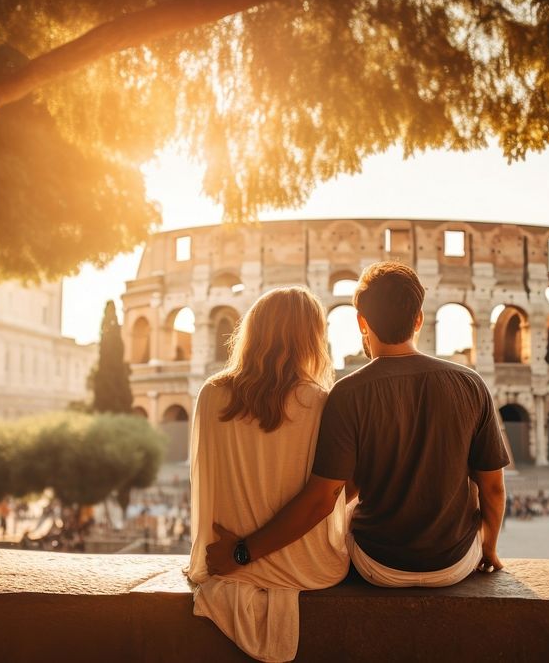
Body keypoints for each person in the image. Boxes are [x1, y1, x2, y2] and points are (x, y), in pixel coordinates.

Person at [206, 262, 510, 591]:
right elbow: (492, 488)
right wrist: (489, 547)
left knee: (343, 517)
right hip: (456, 563)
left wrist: (243, 551)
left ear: (362, 322)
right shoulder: (470, 383)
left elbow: (325, 498)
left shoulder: (348, 392)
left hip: (378, 566)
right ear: (419, 319)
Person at [187, 287, 349, 662]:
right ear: (312, 337)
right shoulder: (322, 402)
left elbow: (204, 485)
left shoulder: (211, 394)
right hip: (310, 569)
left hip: (225, 561)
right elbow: (325, 501)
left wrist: (226, 553)